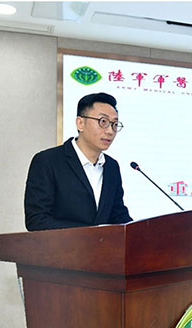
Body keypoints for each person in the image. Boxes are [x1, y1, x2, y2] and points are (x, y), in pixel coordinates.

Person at [24, 92, 132, 231]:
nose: (110, 131)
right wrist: (88, 235)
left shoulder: (111, 167)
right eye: (103, 122)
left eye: (115, 124)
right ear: (80, 123)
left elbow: (118, 215)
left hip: (102, 246)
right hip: (61, 245)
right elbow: (37, 219)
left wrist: (141, 231)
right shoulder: (47, 161)